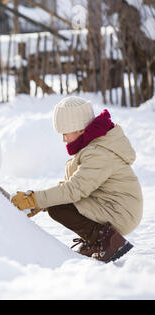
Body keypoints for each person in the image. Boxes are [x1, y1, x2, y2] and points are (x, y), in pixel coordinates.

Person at [11, 96, 143, 263]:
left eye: (65, 133)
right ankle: (96, 239)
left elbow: (74, 189)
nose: (63, 139)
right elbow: (72, 186)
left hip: (120, 212)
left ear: (80, 129)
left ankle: (106, 241)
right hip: (111, 205)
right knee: (57, 203)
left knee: (59, 207)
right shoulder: (90, 146)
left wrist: (36, 199)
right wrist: (40, 203)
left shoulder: (98, 152)